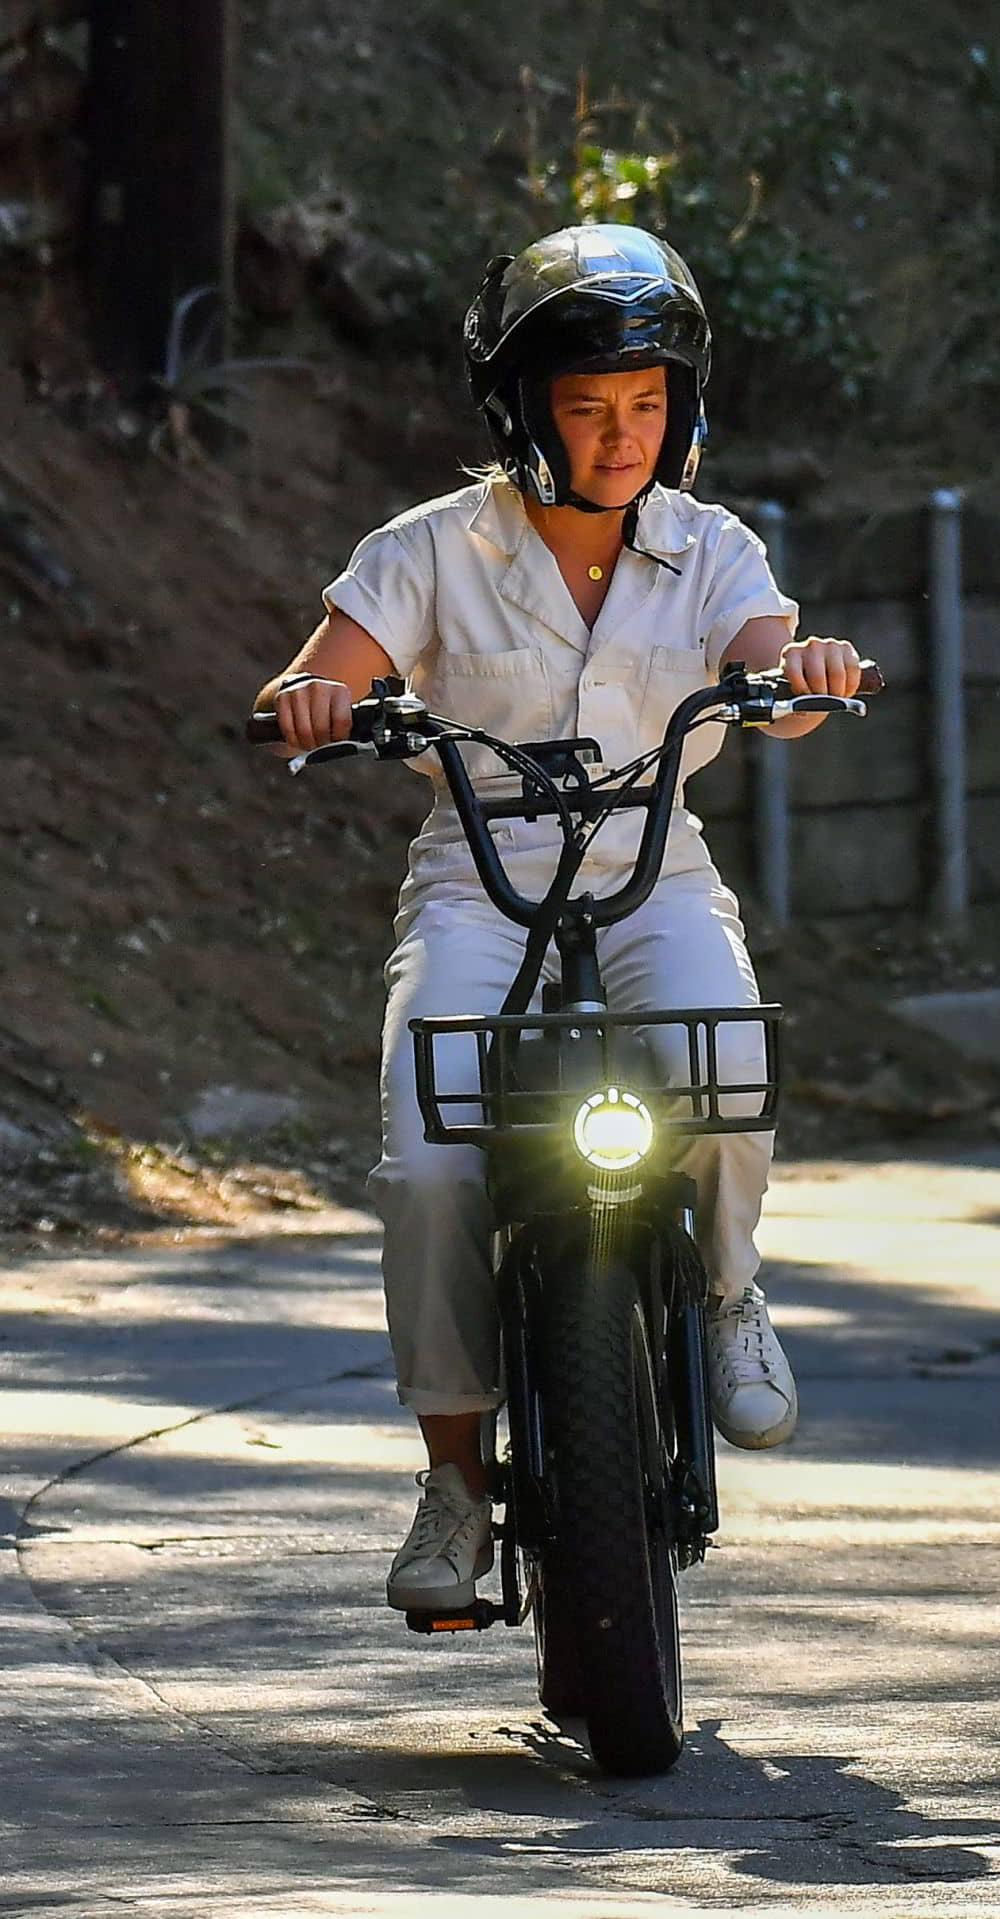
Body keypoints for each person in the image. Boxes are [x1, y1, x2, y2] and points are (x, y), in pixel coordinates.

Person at [254, 225, 862, 1616]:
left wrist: (807, 672)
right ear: (523, 412)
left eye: (647, 403)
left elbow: (777, 663)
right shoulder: (425, 553)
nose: (620, 434)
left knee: (730, 1064)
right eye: (588, 406)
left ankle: (725, 1294)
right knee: (426, 1155)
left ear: (685, 408)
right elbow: (321, 672)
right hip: (482, 881)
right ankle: (457, 1480)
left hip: (656, 871)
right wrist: (310, 699)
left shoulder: (712, 549)